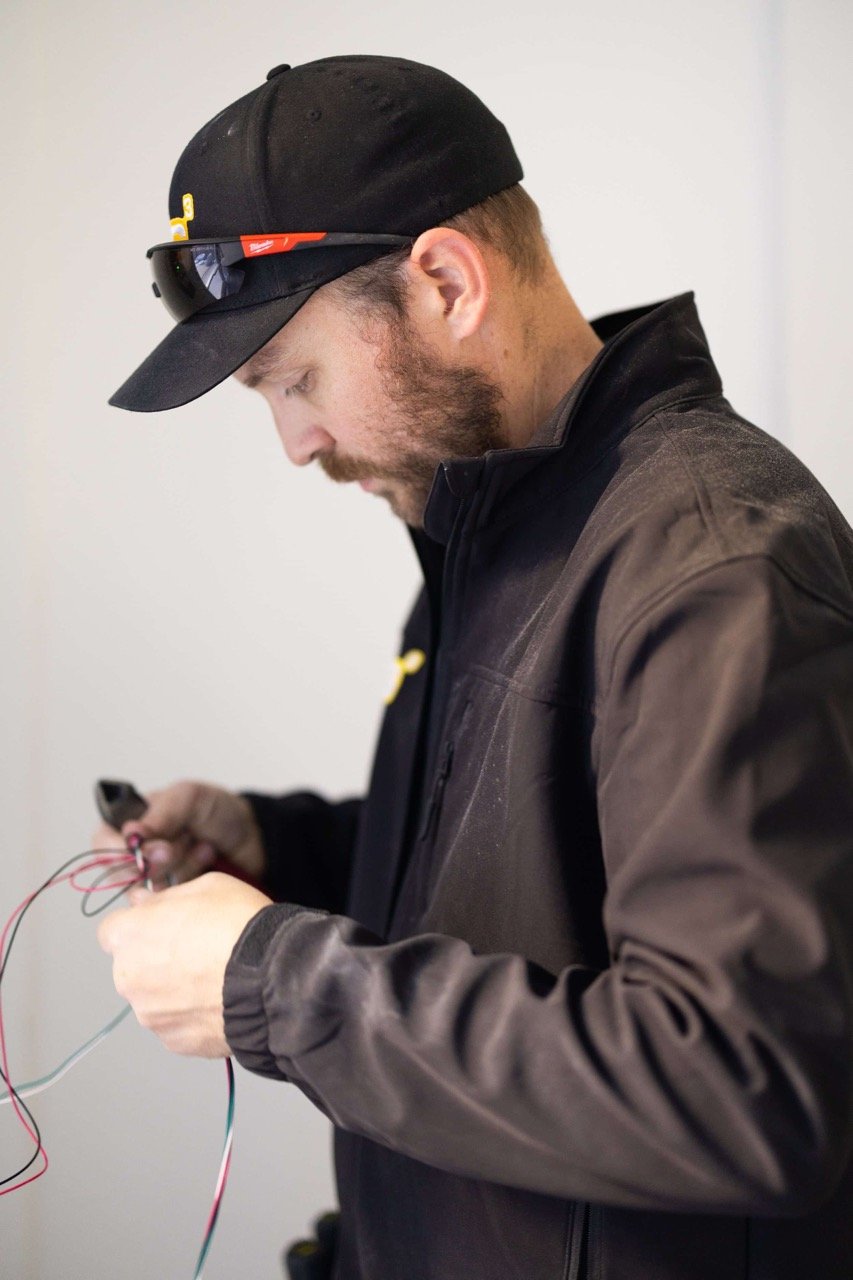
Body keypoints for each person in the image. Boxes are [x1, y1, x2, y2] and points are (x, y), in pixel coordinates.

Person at [95, 55, 853, 1280]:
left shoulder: (712, 566)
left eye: (296, 379)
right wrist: (280, 852)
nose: (296, 442)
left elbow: (742, 1085)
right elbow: (535, 884)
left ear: (445, 281)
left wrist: (272, 978)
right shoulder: (483, 536)